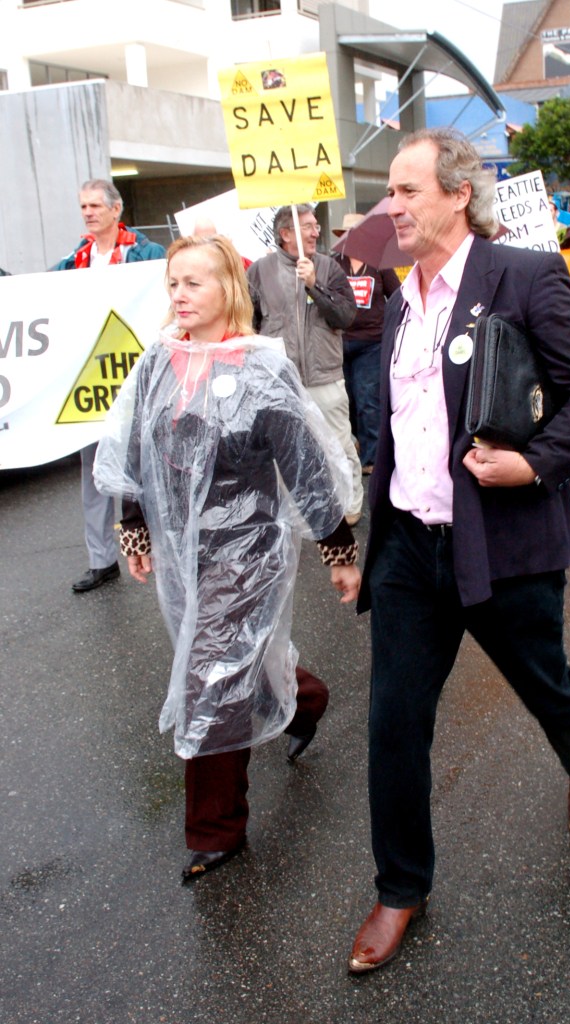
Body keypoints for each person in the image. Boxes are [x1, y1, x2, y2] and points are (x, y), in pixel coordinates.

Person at [347, 128, 570, 974]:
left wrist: (533, 463)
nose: (388, 207)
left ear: (457, 193)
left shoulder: (526, 277)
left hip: (502, 544)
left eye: (405, 191)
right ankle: (400, 887)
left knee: (546, 685)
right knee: (393, 723)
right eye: (388, 193)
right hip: (407, 549)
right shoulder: (399, 298)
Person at [94, 234, 360, 882]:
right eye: (174, 283)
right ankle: (304, 699)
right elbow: (132, 449)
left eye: (195, 282)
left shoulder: (261, 367)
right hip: (187, 549)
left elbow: (303, 466)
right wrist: (135, 532)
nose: (180, 295)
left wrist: (337, 550)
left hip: (247, 552)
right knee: (239, 656)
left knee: (209, 676)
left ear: (228, 291)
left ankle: (215, 829)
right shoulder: (157, 361)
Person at [53, 179, 166, 592]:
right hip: (92, 382)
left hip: (136, 377)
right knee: (95, 474)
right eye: (83, 206)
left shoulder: (146, 254)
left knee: (147, 466)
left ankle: (158, 545)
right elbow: (42, 296)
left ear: (116, 210)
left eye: (95, 205)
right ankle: (101, 560)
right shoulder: (74, 260)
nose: (88, 212)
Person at [247, 205, 364, 526]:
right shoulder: (258, 271)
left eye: (315, 226)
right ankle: (302, 508)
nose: (316, 232)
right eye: (308, 227)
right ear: (286, 234)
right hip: (280, 380)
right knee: (288, 449)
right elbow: (249, 324)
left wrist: (314, 284)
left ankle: (351, 503)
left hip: (324, 376)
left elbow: (346, 316)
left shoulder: (328, 268)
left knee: (339, 443)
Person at [332, 213, 401, 475]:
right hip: (340, 340)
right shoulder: (333, 263)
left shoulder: (379, 263)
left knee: (368, 399)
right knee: (345, 400)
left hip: (372, 343)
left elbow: (397, 295)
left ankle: (371, 459)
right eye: (347, 234)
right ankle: (355, 447)